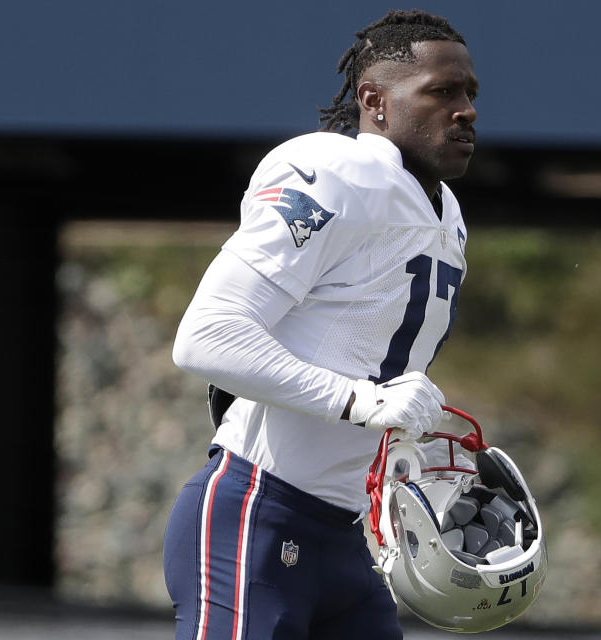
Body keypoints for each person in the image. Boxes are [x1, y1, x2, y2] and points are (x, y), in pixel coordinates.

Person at [163, 9, 479, 640]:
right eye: (442, 92)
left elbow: (358, 354)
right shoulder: (337, 171)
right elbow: (208, 336)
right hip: (258, 512)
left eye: (470, 94)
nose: (466, 109)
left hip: (344, 534)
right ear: (375, 102)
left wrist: (401, 451)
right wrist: (361, 402)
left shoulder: (446, 214)